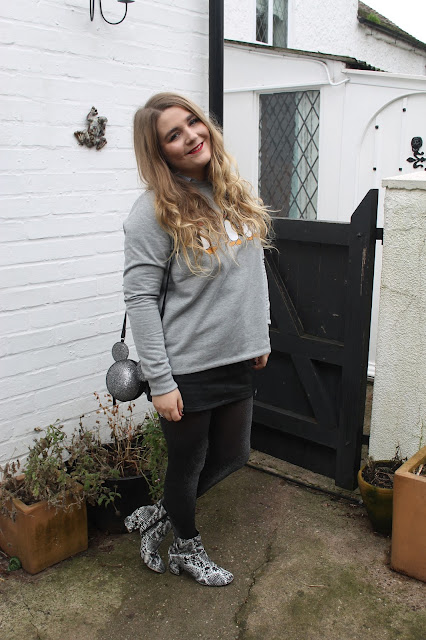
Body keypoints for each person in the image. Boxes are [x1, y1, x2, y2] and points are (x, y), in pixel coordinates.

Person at [123, 93, 271, 587]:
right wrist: (160, 382)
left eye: (192, 122)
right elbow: (140, 298)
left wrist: (260, 332)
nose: (191, 136)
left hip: (235, 357)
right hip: (185, 367)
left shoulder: (232, 191)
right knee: (187, 467)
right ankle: (186, 547)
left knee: (234, 455)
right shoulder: (152, 213)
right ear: (160, 152)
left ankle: (159, 514)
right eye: (174, 135)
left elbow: (253, 271)